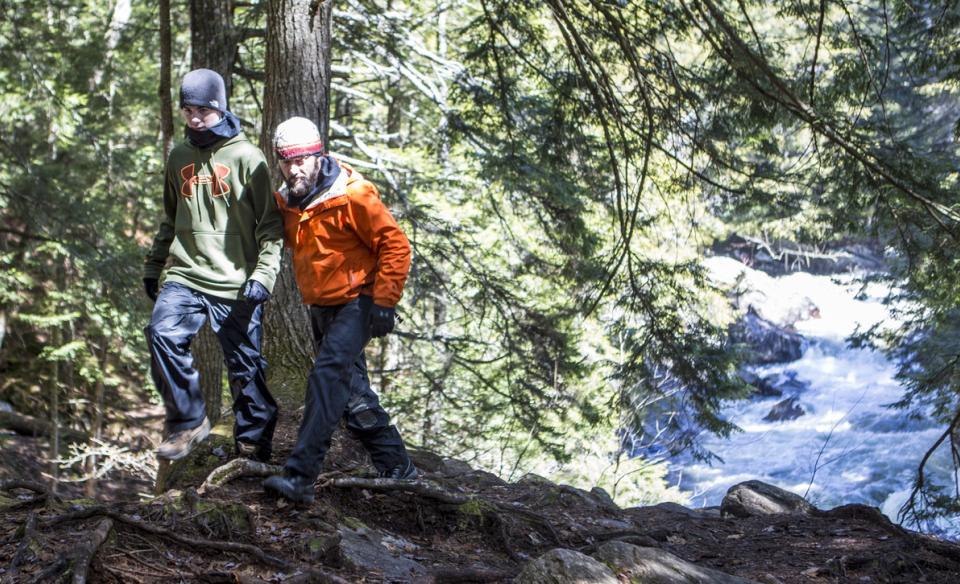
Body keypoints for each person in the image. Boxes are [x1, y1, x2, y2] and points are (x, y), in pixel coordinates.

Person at [263, 117, 417, 504]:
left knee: (325, 378)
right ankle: (399, 467)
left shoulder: (353, 195)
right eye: (286, 161)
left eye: (302, 159)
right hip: (322, 308)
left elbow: (396, 245)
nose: (294, 167)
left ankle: (300, 476)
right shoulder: (287, 201)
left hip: (359, 301)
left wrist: (384, 301)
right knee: (351, 395)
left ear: (319, 155)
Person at [143, 69, 282, 462]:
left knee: (245, 367)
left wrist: (264, 275)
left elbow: (271, 226)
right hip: (186, 274)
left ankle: (253, 443)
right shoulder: (179, 156)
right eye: (188, 110)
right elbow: (171, 218)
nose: (194, 117)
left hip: (236, 281)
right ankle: (188, 420)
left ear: (219, 107)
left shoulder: (248, 157)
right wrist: (155, 265)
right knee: (161, 333)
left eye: (202, 109)